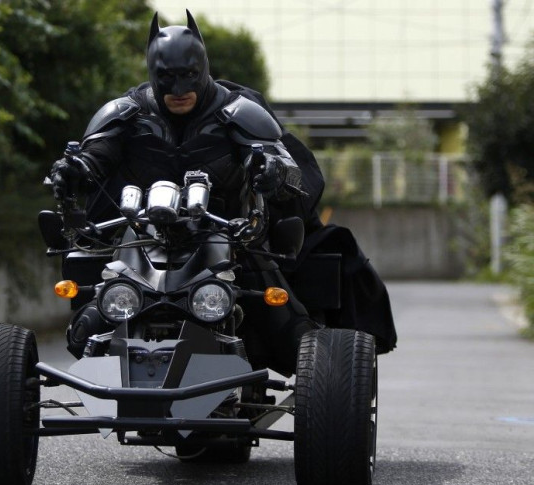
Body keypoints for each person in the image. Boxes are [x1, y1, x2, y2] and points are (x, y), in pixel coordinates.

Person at [49, 11, 396, 375]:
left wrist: (272, 172)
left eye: (189, 76)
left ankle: (321, 372)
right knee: (84, 326)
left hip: (231, 240)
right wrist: (74, 171)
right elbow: (93, 157)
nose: (180, 89)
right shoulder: (126, 113)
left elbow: (286, 165)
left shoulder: (238, 111)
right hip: (139, 236)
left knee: (296, 338)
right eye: (168, 78)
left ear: (203, 68)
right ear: (153, 73)